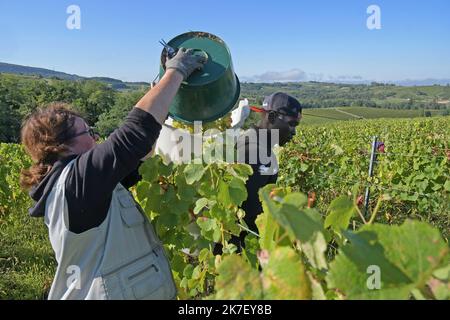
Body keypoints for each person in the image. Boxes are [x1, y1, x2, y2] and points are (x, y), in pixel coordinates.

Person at [20, 48, 206, 300]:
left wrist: (164, 94)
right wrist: (176, 71)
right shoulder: (77, 183)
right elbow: (132, 136)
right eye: (88, 132)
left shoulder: (89, 184)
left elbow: (140, 151)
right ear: (60, 145)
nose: (96, 137)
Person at [228, 92, 302, 252]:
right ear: (273, 117)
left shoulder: (247, 137)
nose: (294, 132)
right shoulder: (258, 154)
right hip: (243, 250)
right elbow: (250, 215)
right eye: (291, 124)